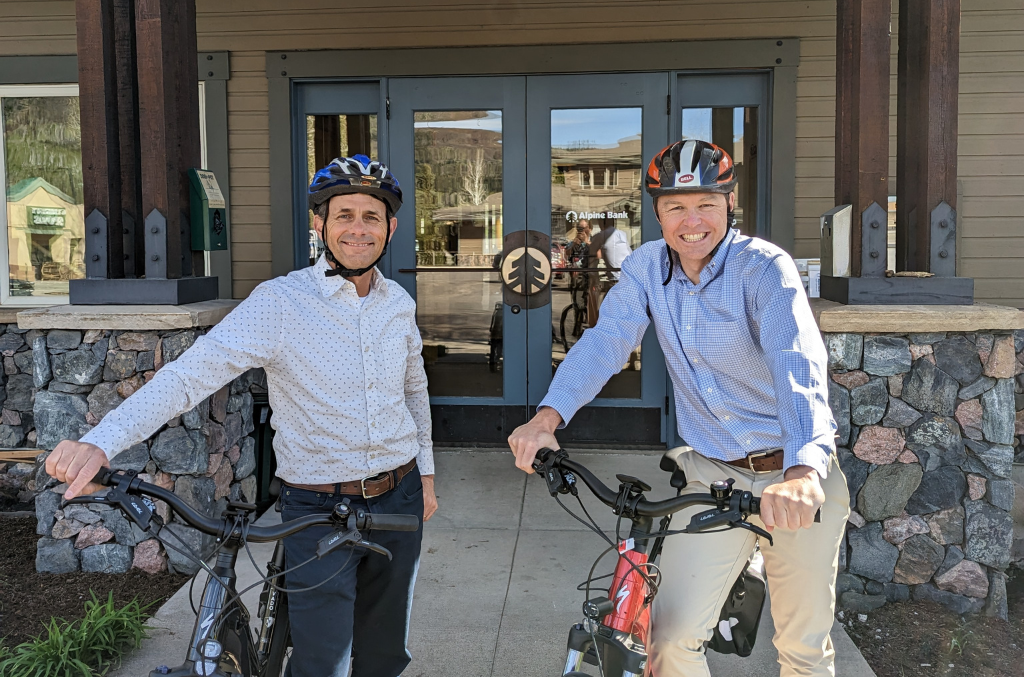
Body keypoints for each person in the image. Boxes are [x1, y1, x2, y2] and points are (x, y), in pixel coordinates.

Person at [45, 155, 438, 677]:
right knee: (324, 662)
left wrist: (426, 474)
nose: (358, 229)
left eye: (372, 216)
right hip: (319, 507)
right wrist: (101, 441)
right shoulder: (280, 303)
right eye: (344, 215)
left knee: (387, 653)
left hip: (401, 495)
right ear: (319, 224)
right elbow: (189, 376)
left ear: (390, 227)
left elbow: (414, 390)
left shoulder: (398, 303)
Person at [509, 138, 848, 677]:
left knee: (803, 649)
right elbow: (605, 343)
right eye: (675, 207)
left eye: (706, 204)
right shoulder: (646, 268)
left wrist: (804, 470)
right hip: (712, 475)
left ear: (729, 204)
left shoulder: (763, 268)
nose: (692, 221)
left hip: (791, 474)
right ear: (658, 212)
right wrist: (545, 418)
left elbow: (797, 363)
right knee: (667, 640)